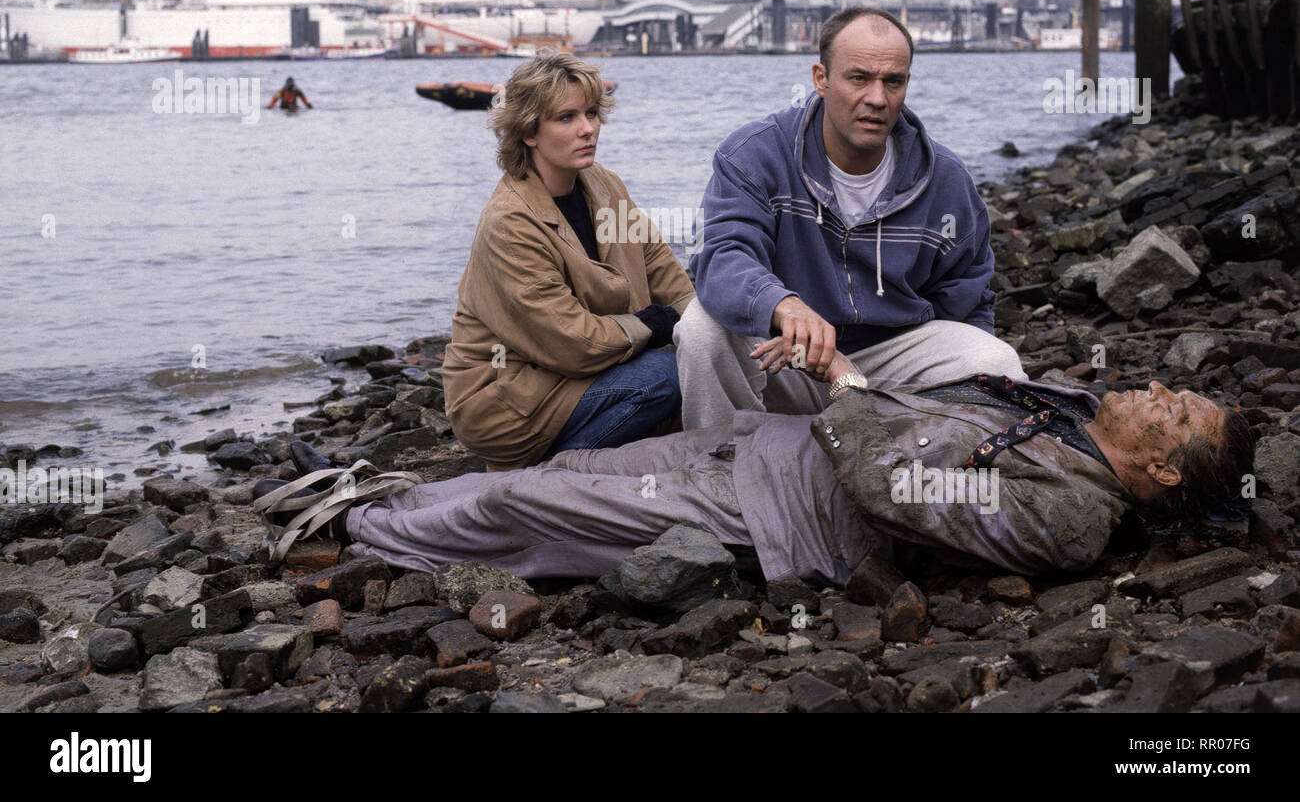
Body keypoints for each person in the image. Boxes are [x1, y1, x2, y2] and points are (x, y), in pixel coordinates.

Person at [253, 359, 1254, 583]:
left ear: (1162, 471)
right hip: (774, 446)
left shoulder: (1071, 517)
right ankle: (374, 492)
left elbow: (901, 490)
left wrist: (847, 388)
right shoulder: (1072, 415)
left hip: (778, 508)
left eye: (1175, 408)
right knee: (576, 460)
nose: (1156, 385)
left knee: (530, 496)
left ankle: (354, 532)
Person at [675, 6, 1026, 429]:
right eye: (858, 78)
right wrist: (781, 306)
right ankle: (721, 469)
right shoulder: (755, 155)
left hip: (890, 363)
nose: (877, 99)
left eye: (892, 81)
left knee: (996, 360)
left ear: (906, 83)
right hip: (788, 357)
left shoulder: (945, 180)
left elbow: (967, 300)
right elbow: (719, 255)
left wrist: (954, 390)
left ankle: (934, 463)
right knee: (702, 329)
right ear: (821, 79)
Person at [439, 49, 695, 470]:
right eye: (566, 118)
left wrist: (703, 328)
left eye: (591, 113)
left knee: (701, 356)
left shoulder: (604, 183)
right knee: (665, 378)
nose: (587, 129)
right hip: (510, 399)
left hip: (577, 374)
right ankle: (542, 473)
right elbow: (571, 342)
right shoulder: (510, 221)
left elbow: (658, 265)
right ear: (528, 132)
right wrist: (654, 324)